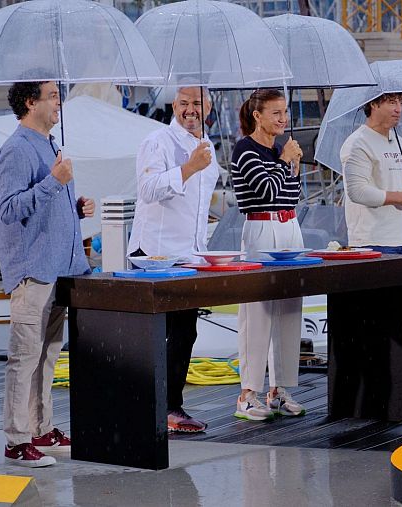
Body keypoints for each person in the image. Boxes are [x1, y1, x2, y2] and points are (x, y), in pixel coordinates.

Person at [0, 81, 93, 467]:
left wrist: (76, 205)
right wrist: (55, 182)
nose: (59, 102)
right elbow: (7, 210)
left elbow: (46, 204)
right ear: (29, 102)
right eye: (52, 96)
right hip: (33, 272)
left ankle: (41, 430)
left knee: (48, 356)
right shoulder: (16, 149)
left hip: (59, 270)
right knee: (23, 357)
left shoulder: (51, 145)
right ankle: (16, 441)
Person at [127, 86, 221, 433]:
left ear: (207, 107)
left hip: (188, 254)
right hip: (155, 253)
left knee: (185, 333)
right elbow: (148, 189)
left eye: (196, 103)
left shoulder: (207, 146)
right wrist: (188, 168)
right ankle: (155, 406)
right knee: (161, 334)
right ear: (173, 105)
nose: (189, 110)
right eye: (183, 103)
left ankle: (171, 406)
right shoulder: (157, 141)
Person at [230, 89, 305, 421]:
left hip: (289, 226)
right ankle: (248, 393)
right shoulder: (245, 150)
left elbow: (292, 193)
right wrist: (285, 161)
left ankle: (279, 388)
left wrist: (290, 163)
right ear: (257, 115)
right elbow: (267, 190)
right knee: (257, 313)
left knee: (290, 309)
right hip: (261, 228)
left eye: (284, 112)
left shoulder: (278, 151)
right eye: (276, 113)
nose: (283, 119)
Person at [340, 92, 402, 254]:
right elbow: (357, 192)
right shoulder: (358, 142)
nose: (399, 109)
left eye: (401, 103)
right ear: (373, 104)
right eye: (392, 103)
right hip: (370, 241)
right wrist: (400, 197)